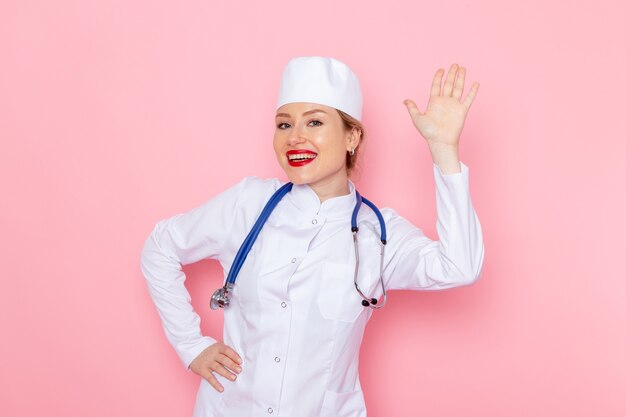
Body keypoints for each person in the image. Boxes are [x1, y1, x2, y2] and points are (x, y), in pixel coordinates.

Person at [140, 56, 484, 417]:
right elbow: (160, 246)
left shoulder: (379, 233)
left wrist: (444, 151)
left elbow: (459, 266)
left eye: (315, 122)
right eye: (283, 124)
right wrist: (191, 345)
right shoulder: (248, 203)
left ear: (352, 136)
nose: (295, 137)